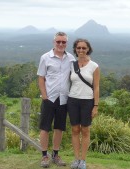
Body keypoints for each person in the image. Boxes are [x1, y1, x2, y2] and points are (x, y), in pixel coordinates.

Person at [37, 31, 75, 168]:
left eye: (63, 42)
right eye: (58, 41)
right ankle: (44, 156)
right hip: (49, 98)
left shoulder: (71, 59)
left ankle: (55, 154)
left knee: (59, 128)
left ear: (66, 43)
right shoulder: (45, 57)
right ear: (54, 42)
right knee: (45, 128)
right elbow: (41, 78)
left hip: (64, 99)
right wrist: (45, 96)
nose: (60, 44)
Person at [67, 38, 100, 169]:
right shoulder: (71, 65)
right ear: (75, 49)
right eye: (78, 48)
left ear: (88, 49)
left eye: (84, 48)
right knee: (75, 129)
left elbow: (96, 87)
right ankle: (76, 159)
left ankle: (83, 160)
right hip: (73, 100)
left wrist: (96, 106)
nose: (81, 50)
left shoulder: (94, 66)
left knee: (85, 130)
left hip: (88, 101)